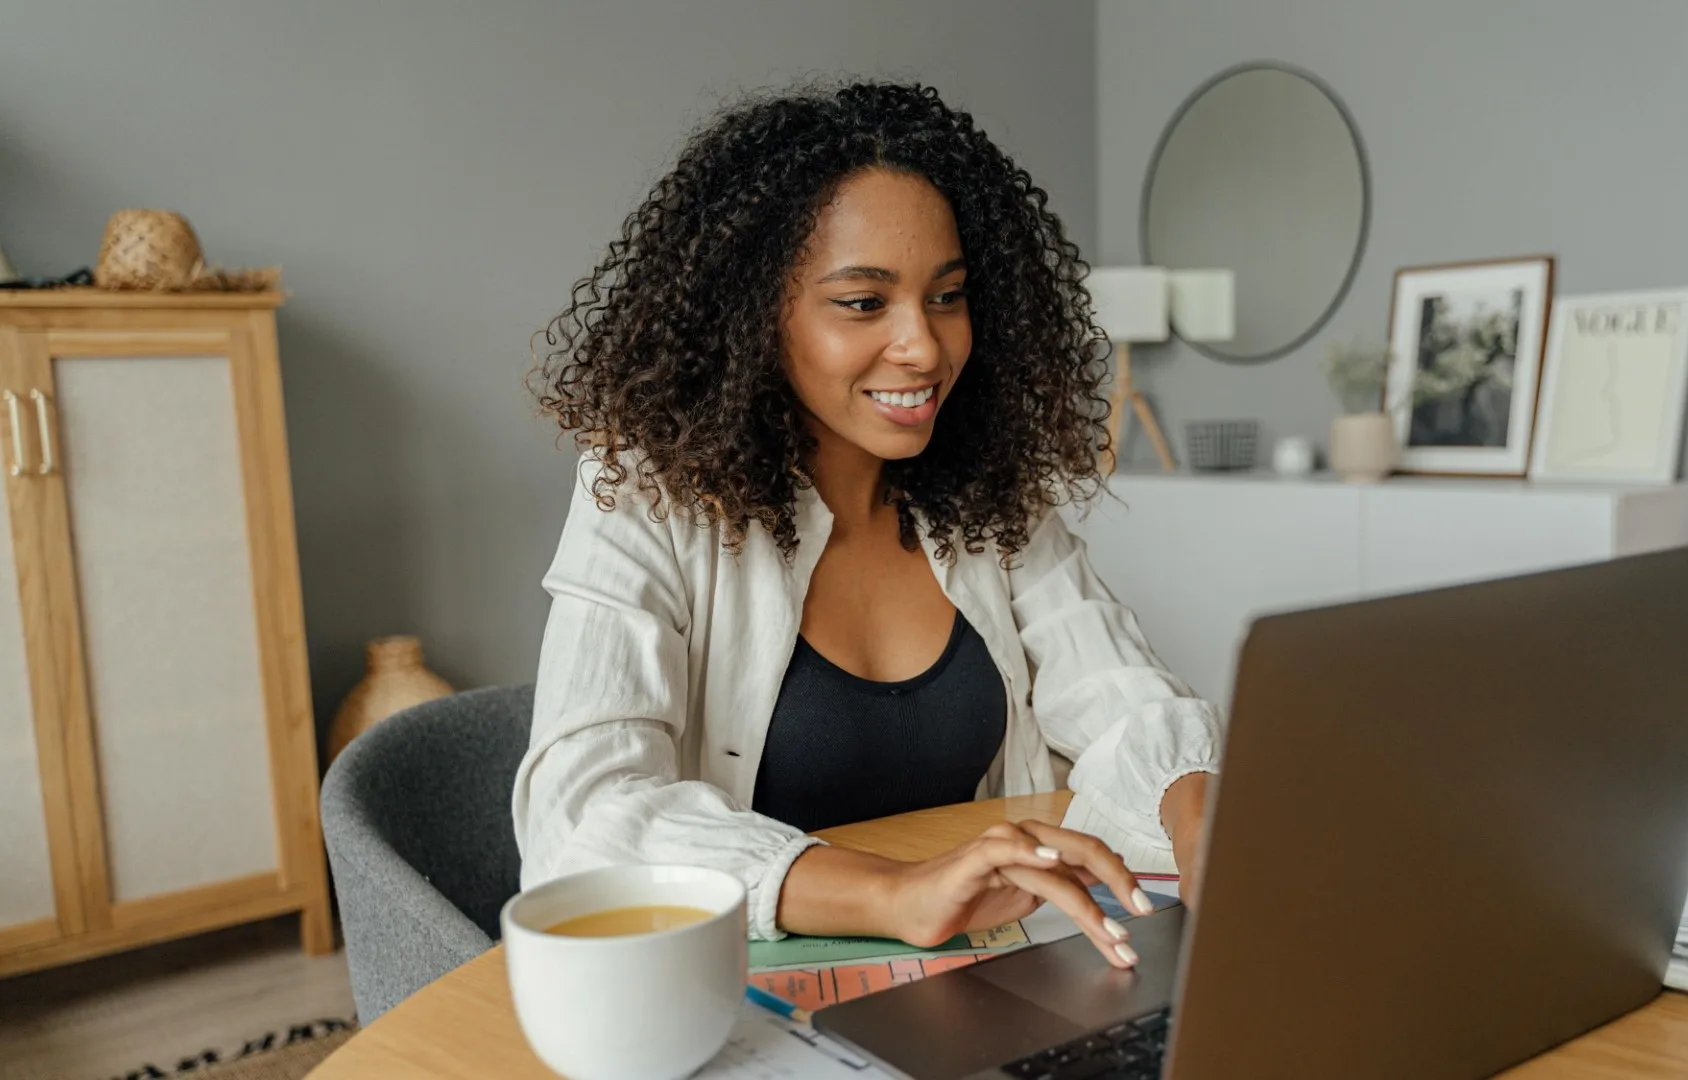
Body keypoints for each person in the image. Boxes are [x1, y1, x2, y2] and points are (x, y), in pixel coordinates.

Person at [514, 81, 1222, 969]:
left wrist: (1208, 839)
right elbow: (582, 814)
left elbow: (1122, 696)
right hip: (730, 986)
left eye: (948, 296)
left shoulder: (988, 492)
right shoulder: (647, 493)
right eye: (862, 303)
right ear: (755, 315)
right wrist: (895, 894)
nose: (923, 347)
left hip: (979, 964)